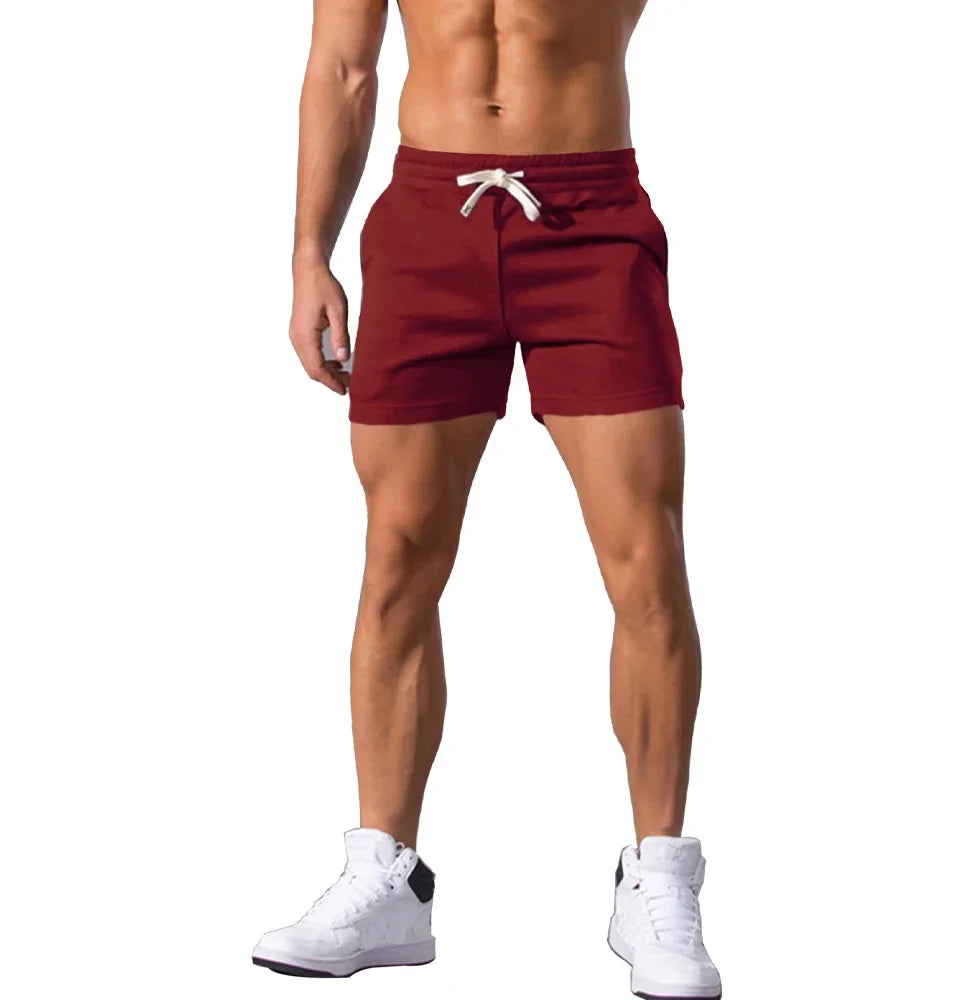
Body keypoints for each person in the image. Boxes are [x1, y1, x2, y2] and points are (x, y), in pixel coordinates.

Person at [252, 2, 722, 997]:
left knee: (645, 558)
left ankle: (656, 876)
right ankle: (386, 875)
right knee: (397, 557)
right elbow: (342, 68)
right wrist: (307, 254)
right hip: (427, 220)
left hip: (590, 220)